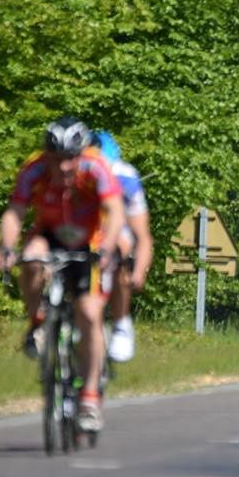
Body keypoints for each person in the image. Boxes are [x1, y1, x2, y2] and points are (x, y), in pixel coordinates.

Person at [0, 116, 125, 432]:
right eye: (57, 160)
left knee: (89, 314)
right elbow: (15, 211)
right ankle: (37, 323)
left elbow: (115, 212)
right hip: (50, 232)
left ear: (81, 154)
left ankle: (90, 397)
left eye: (71, 159)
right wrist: (6, 246)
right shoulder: (34, 170)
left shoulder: (96, 169)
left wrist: (107, 248)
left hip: (89, 238)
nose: (64, 167)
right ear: (47, 156)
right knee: (32, 259)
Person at [91, 130, 153, 362]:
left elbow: (143, 236)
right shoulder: (77, 171)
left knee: (121, 244)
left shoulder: (126, 178)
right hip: (86, 227)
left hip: (118, 228)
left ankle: (121, 323)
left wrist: (138, 271)